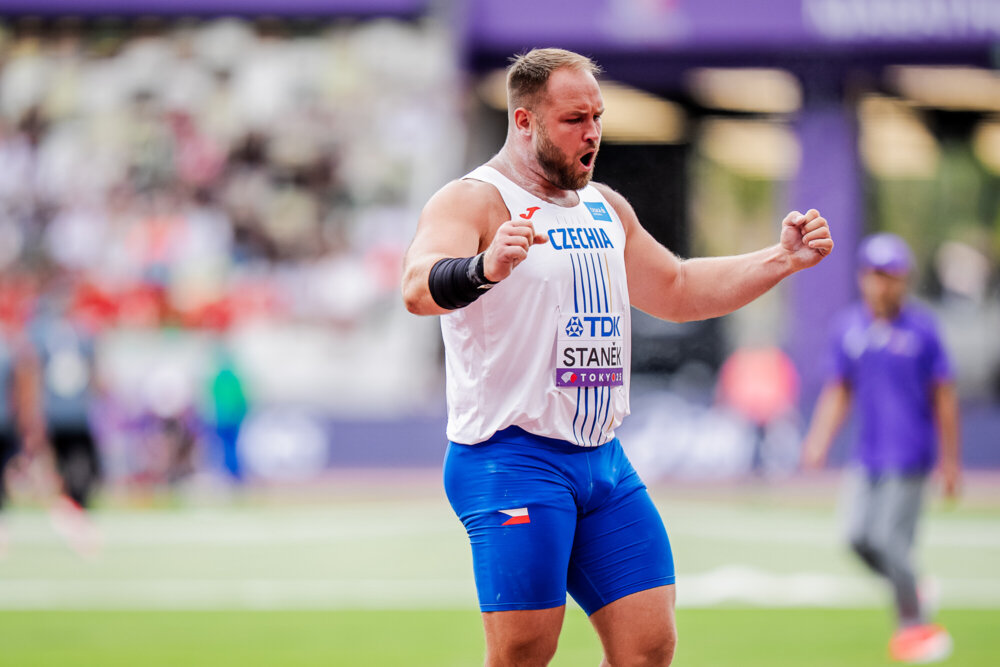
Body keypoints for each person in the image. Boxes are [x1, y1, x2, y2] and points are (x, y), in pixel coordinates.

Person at [401, 47, 833, 667]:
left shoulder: (605, 206)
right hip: (511, 458)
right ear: (523, 121)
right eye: (575, 119)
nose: (594, 133)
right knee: (525, 652)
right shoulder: (474, 200)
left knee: (648, 649)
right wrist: (483, 267)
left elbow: (679, 290)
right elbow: (418, 288)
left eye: (598, 116)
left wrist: (781, 259)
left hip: (603, 462)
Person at [801, 232, 960, 664]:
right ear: (862, 278)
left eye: (890, 276)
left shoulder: (924, 329)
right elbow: (839, 391)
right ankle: (912, 586)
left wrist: (950, 462)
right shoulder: (849, 328)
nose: (882, 284)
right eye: (875, 275)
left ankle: (915, 629)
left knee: (891, 542)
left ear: (903, 280)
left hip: (910, 456)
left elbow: (944, 397)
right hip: (867, 455)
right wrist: (819, 440)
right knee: (855, 538)